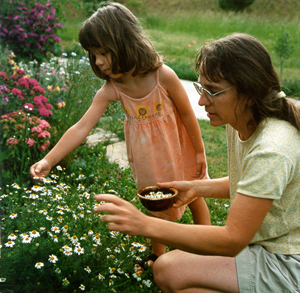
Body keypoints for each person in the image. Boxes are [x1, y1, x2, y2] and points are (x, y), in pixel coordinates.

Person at [93, 33, 300, 293]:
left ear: (248, 92)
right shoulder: (244, 120)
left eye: (212, 91)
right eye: (201, 88)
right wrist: (198, 188)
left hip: (287, 263)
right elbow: (253, 185)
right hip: (267, 246)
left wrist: (145, 224)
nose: (202, 101)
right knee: (170, 271)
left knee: (168, 269)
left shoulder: (272, 148)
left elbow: (232, 239)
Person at [30, 2, 210, 267]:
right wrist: (48, 160)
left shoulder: (164, 76)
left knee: (195, 196)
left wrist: (198, 151)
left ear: (124, 44)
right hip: (149, 157)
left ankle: (205, 246)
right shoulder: (112, 89)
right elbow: (81, 127)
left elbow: (187, 114)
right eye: (93, 54)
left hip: (178, 149)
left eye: (103, 52)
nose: (98, 61)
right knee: (154, 202)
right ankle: (157, 254)